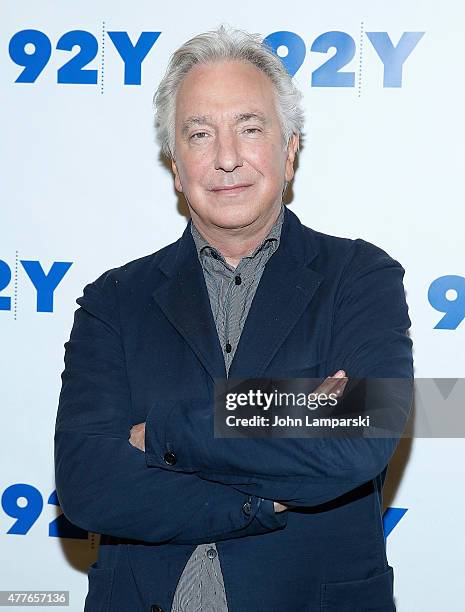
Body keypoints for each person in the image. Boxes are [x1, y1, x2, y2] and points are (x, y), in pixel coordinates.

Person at [54, 25, 413, 612]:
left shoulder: (360, 276)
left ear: (289, 149)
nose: (226, 158)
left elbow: (360, 441)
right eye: (200, 134)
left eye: (250, 129)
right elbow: (88, 484)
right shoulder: (113, 299)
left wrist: (161, 435)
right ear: (175, 163)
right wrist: (264, 488)